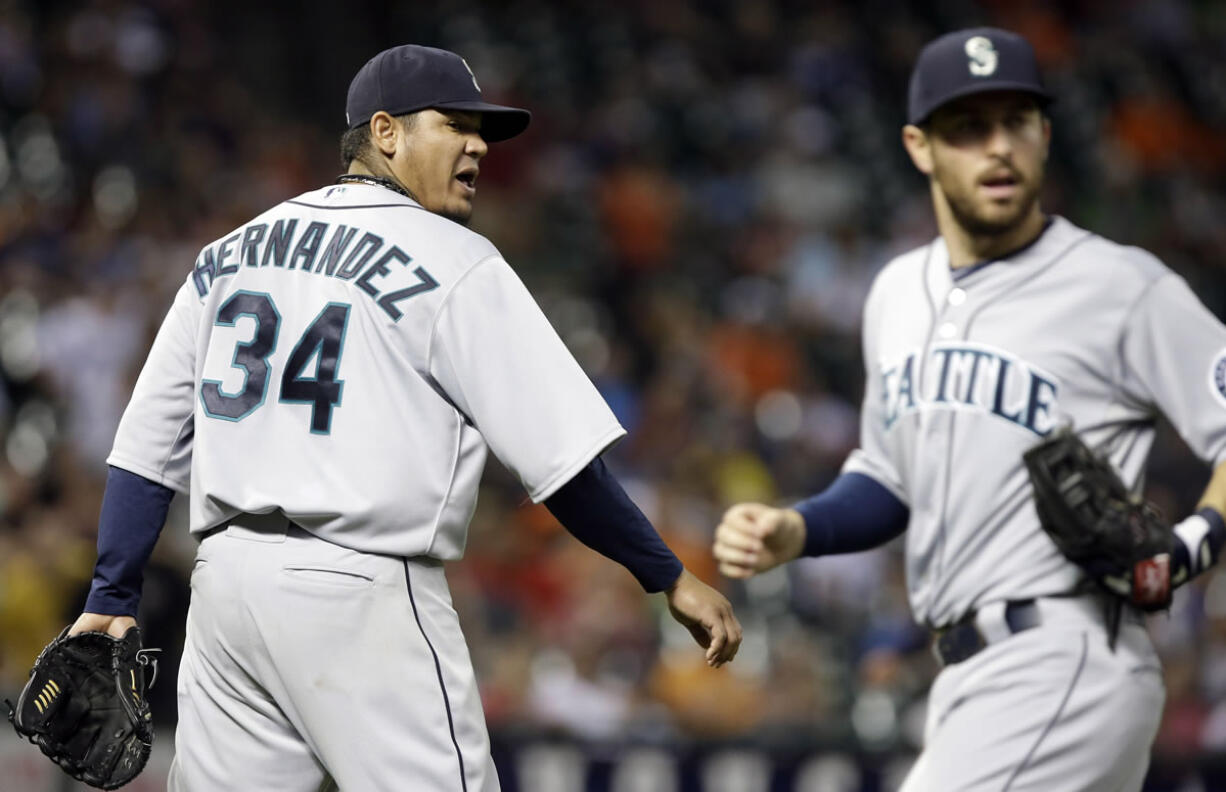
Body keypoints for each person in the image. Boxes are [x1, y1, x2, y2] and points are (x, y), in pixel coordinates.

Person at [68, 44, 741, 792]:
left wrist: (111, 594)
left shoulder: (227, 255)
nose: (479, 145)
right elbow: (563, 465)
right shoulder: (454, 258)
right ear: (384, 132)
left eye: (481, 132)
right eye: (455, 124)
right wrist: (667, 574)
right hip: (363, 590)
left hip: (226, 590)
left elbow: (146, 449)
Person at [713, 27, 1226, 791]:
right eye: (968, 128)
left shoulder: (1122, 287)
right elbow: (890, 476)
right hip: (962, 679)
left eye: (1016, 122)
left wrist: (1191, 544)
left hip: (1067, 654)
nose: (998, 147)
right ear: (920, 147)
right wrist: (801, 527)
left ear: (1047, 135)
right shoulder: (894, 294)